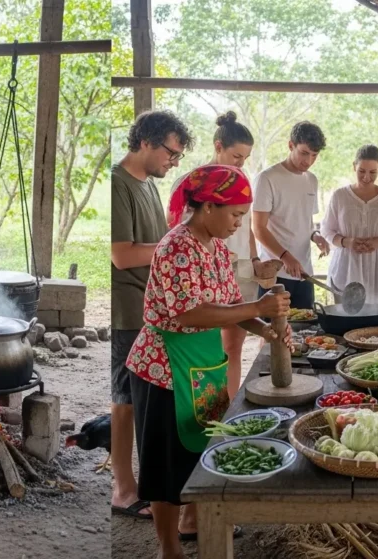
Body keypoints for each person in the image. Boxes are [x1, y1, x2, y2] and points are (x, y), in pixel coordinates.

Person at [128, 165, 291, 559]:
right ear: (205, 207)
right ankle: (168, 549)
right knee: (166, 466)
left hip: (202, 363)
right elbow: (188, 314)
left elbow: (232, 307)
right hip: (164, 368)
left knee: (200, 449)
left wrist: (266, 328)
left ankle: (194, 521)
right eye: (235, 214)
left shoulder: (216, 248)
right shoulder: (177, 247)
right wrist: (258, 306)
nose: (239, 223)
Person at [110, 110, 194, 521]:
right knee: (125, 401)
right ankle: (123, 490)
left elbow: (158, 240)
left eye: (177, 157)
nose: (172, 162)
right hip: (127, 306)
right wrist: (174, 247)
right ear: (145, 140)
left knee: (139, 401)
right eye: (171, 152)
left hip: (150, 306)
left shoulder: (148, 186)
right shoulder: (117, 184)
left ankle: (140, 484)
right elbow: (123, 254)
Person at [165, 112, 281, 399]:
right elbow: (176, 224)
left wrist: (253, 261)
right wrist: (212, 254)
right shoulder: (192, 185)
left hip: (236, 268)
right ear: (218, 146)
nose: (241, 163)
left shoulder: (241, 182)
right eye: (236, 155)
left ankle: (227, 406)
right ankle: (209, 405)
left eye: (245, 158)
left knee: (233, 345)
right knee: (208, 345)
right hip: (204, 271)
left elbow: (250, 231)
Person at [252, 121, 331, 311]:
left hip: (304, 273)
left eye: (314, 155)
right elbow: (259, 228)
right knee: (273, 334)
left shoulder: (311, 180)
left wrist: (315, 236)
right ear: (290, 145)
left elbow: (304, 222)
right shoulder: (267, 178)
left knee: (306, 334)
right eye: (304, 153)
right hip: (276, 273)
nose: (309, 161)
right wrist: (285, 257)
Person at [319, 145, 378, 304]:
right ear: (354, 166)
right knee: (345, 323)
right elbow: (326, 229)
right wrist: (347, 242)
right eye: (361, 171)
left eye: (373, 172)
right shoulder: (340, 196)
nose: (367, 177)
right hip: (346, 269)